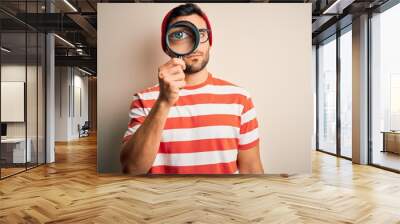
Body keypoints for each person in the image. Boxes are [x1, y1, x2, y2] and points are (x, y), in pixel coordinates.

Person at [121, 3, 264, 174]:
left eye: (201, 33)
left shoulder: (239, 99)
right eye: (180, 35)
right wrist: (163, 102)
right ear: (167, 47)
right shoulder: (144, 100)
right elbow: (131, 169)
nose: (194, 45)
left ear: (209, 43)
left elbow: (251, 169)